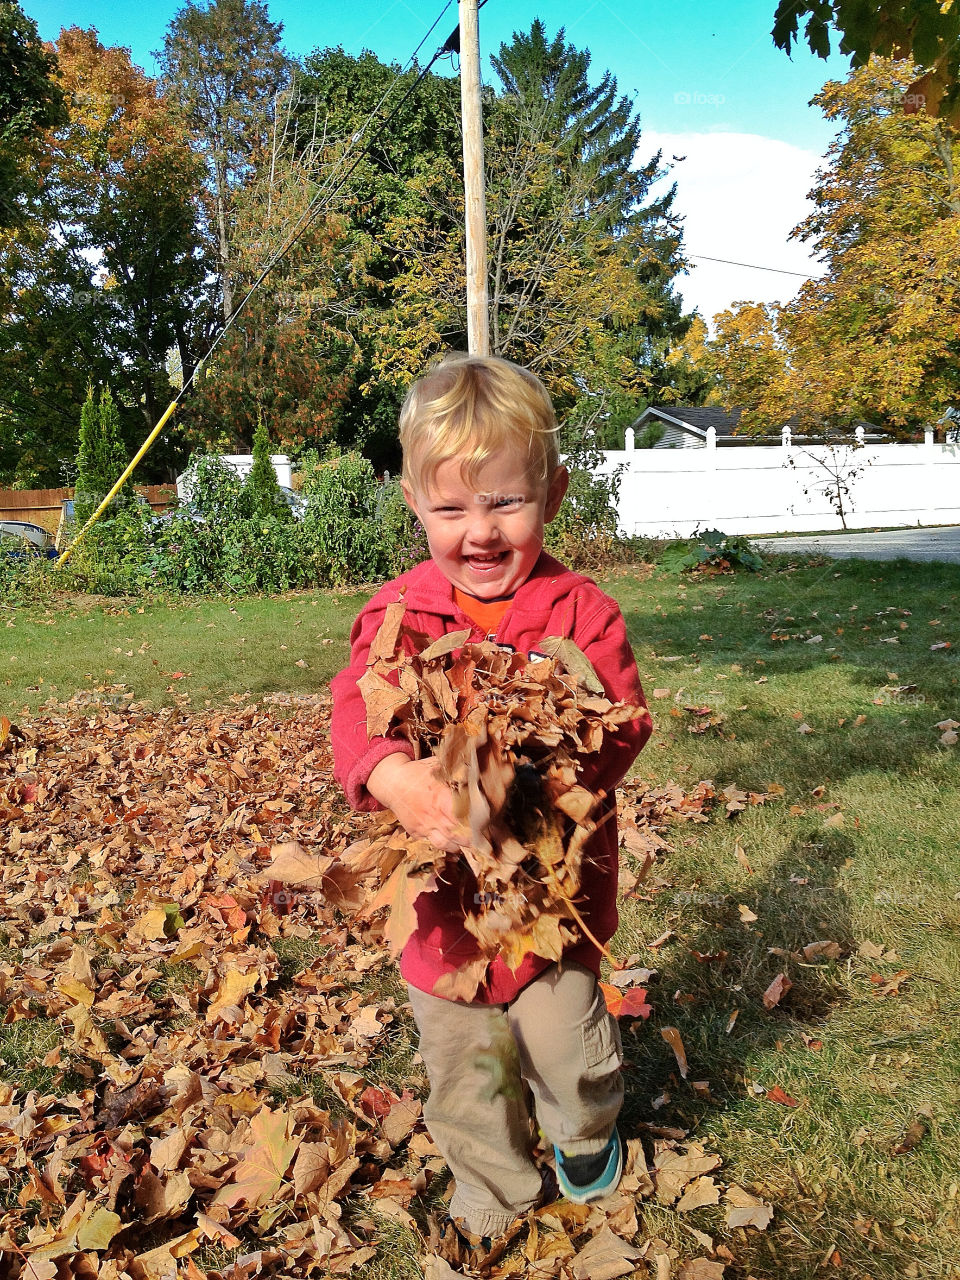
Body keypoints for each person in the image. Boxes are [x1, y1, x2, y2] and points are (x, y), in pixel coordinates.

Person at [331, 353, 651, 1245]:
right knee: (464, 1062)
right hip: (443, 911)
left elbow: (623, 723)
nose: (480, 530)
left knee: (560, 1044)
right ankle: (494, 1185)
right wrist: (395, 777)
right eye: (452, 508)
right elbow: (357, 709)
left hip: (552, 901)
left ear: (549, 493)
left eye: (506, 502)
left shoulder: (580, 612)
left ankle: (585, 1136)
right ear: (413, 503)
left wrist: (533, 779)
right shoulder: (398, 614)